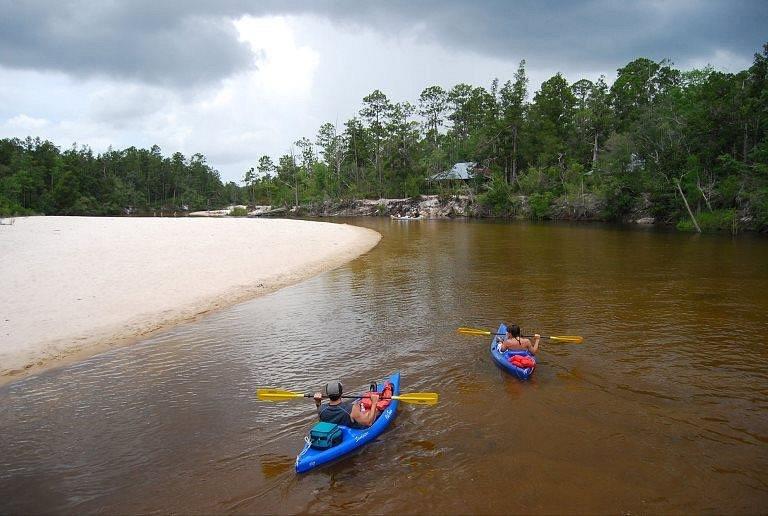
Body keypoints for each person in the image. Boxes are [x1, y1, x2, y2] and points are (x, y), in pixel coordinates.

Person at [313, 380, 380, 428]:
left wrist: (318, 402)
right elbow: (368, 423)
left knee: (359, 406)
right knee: (373, 411)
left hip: (336, 431)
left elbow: (320, 420)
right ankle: (373, 394)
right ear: (341, 393)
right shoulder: (351, 408)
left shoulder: (321, 408)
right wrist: (374, 403)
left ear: (327, 394)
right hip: (352, 430)